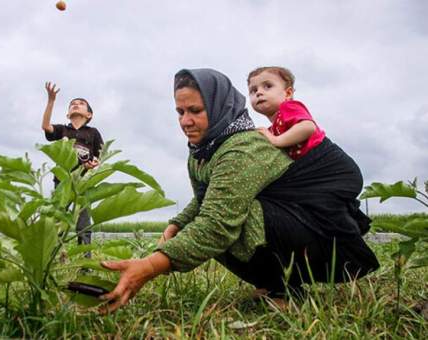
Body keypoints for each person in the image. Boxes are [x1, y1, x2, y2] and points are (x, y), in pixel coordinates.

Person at [100, 69, 379, 313]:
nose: (185, 121)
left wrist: (149, 267)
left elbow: (217, 223)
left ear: (219, 106)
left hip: (319, 235)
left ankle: (286, 288)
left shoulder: (241, 148)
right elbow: (204, 198)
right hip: (293, 222)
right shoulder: (203, 151)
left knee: (230, 222)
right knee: (209, 220)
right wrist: (176, 224)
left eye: (196, 111)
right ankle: (275, 283)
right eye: (180, 112)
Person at [41, 82, 104, 248]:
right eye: (72, 104)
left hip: (83, 184)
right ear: (68, 114)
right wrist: (51, 100)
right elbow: (46, 126)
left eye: (81, 103)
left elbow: (100, 155)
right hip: (62, 181)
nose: (76, 104)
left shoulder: (93, 132)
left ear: (89, 114)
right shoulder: (63, 130)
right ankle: (52, 256)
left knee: (83, 224)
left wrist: (93, 164)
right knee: (57, 221)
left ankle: (84, 263)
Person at [247, 66, 324, 160]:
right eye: (254, 90)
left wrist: (275, 140)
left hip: (325, 158)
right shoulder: (272, 130)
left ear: (288, 93)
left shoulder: (288, 107)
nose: (258, 92)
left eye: (268, 86)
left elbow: (308, 127)